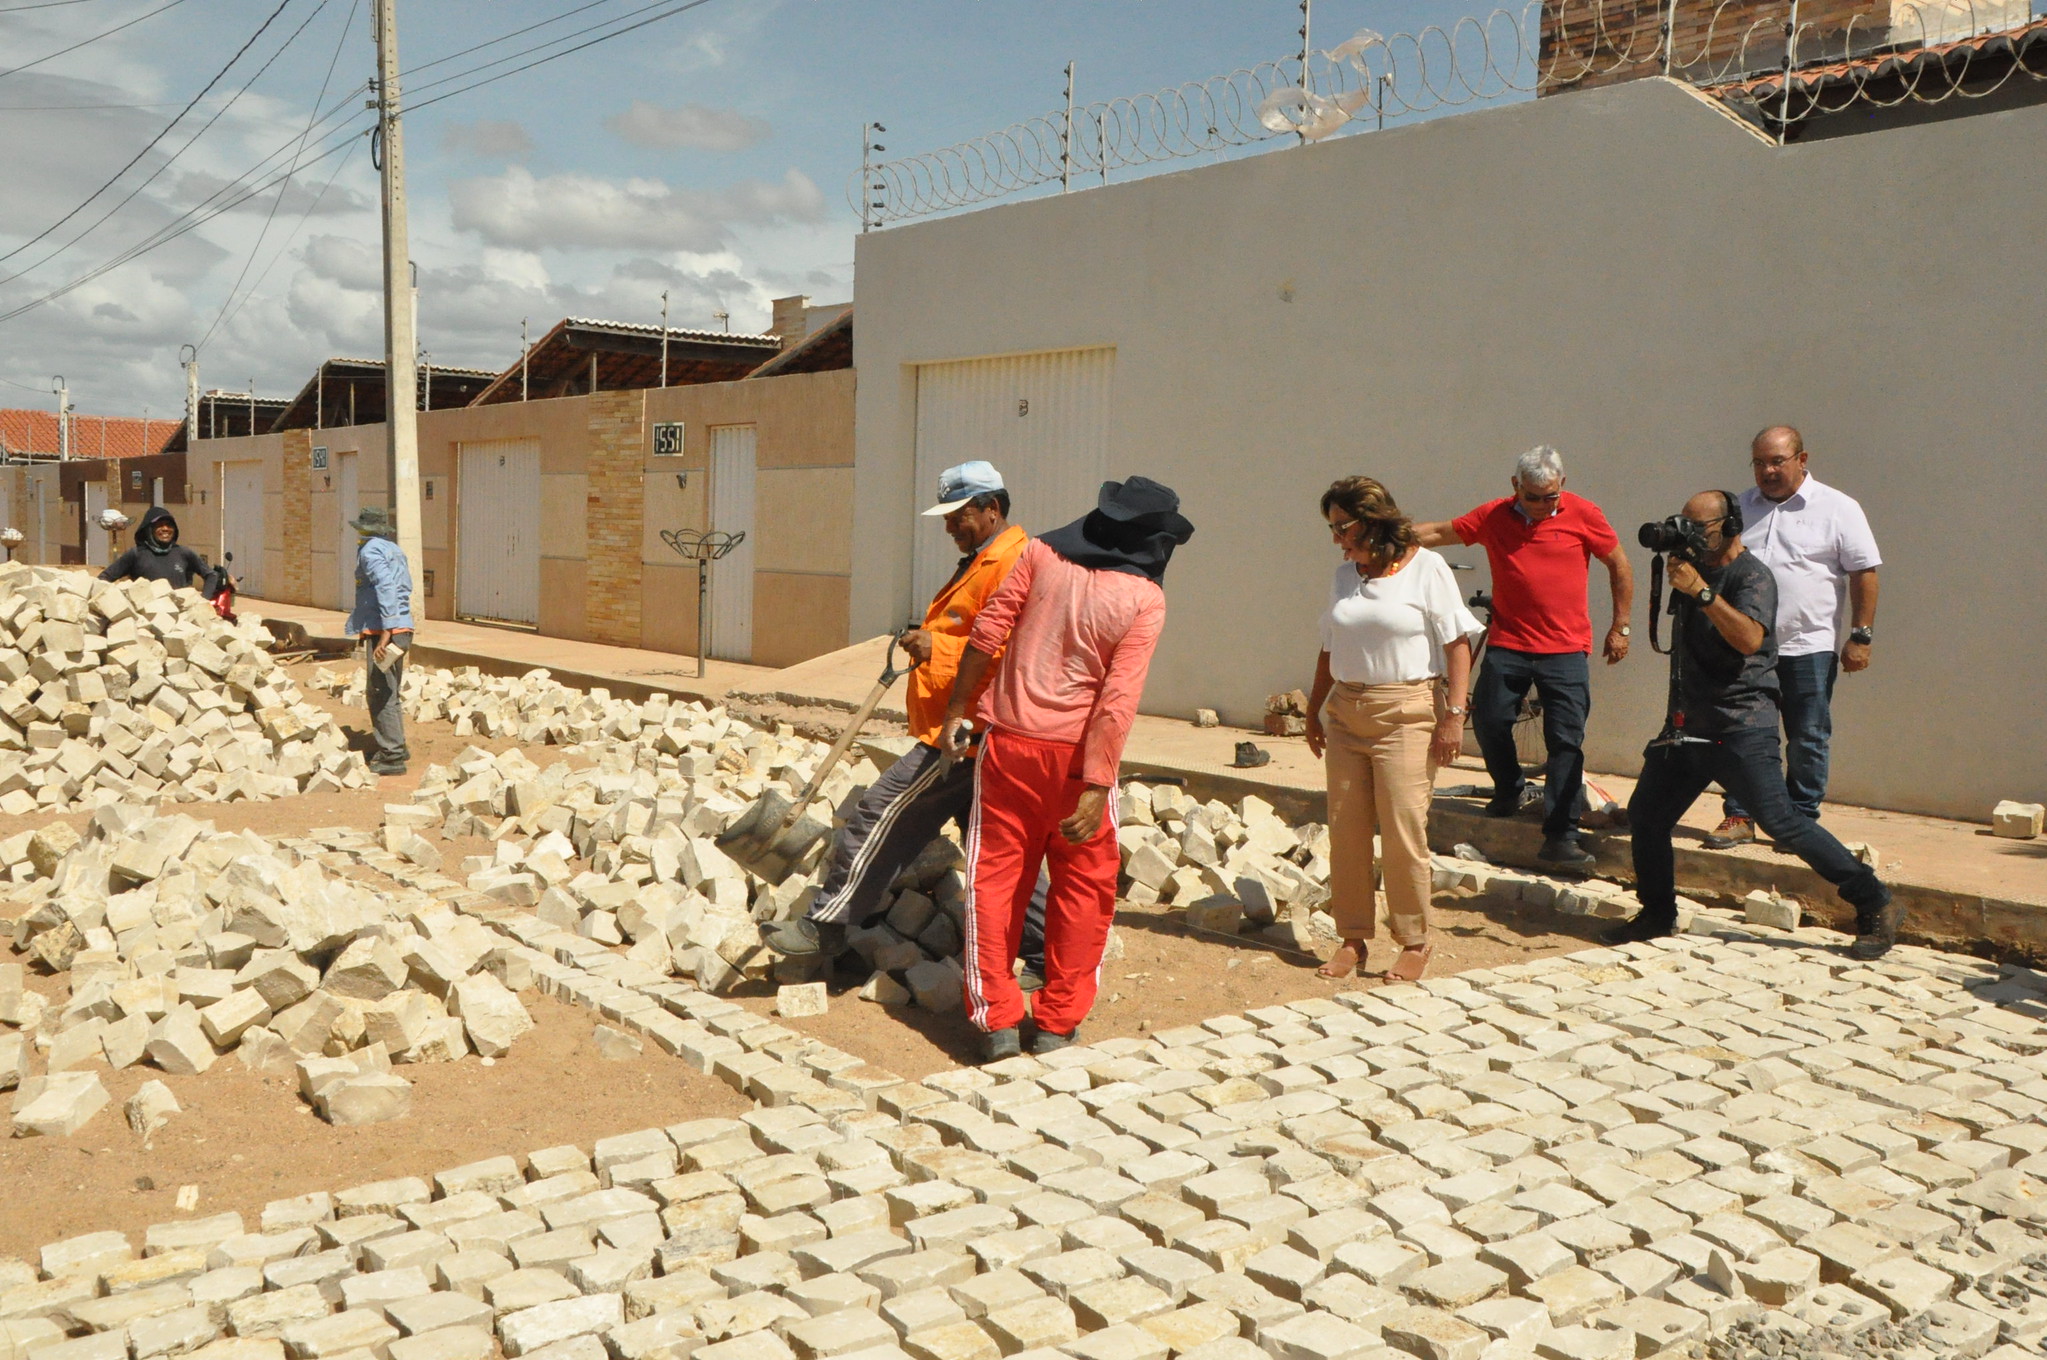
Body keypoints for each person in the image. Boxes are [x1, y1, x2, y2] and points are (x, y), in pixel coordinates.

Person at [763, 461, 1047, 985]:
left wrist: (935, 645)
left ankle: (825, 924)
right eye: (946, 518)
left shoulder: (1013, 564)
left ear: (993, 509)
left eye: (959, 516)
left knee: (879, 814)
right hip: (974, 730)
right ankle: (1046, 955)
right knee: (996, 844)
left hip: (968, 732)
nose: (949, 527)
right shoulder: (981, 559)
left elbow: (1010, 652)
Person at [939, 477, 1192, 1061]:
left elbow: (989, 629)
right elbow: (1117, 700)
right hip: (1079, 762)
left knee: (996, 878)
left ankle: (997, 1020)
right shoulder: (1145, 600)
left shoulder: (1040, 553)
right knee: (1084, 890)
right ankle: (1057, 1023)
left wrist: (960, 710)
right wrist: (1097, 784)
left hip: (1009, 747)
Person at [1607, 491, 1899, 958]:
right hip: (1688, 723)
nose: (1688, 536)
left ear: (1729, 526)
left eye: (1697, 528)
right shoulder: (1692, 571)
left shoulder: (1752, 576)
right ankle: (1658, 912)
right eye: (1682, 525)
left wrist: (1701, 593)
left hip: (1741, 721)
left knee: (1783, 821)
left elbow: (1748, 639)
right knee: (1647, 816)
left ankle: (1873, 900)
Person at [1416, 446, 1632, 869]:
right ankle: (1511, 787)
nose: (1541, 505)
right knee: (1492, 719)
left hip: (1566, 650)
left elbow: (1620, 565)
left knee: (1566, 742)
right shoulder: (1495, 515)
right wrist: (1383, 536)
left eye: (1550, 496)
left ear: (1562, 486)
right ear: (1515, 486)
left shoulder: (1584, 513)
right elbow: (1439, 533)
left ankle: (1562, 837)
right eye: (1532, 496)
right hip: (1509, 643)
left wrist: (1620, 627)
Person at [1306, 477, 1482, 985]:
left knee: (1404, 830)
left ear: (1373, 520)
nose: (1339, 539)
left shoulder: (1427, 568)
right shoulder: (1344, 576)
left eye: (1345, 527)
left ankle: (1414, 940)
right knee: (1346, 829)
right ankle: (1353, 938)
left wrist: (1454, 714)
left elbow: (1456, 643)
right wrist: (1316, 708)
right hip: (1346, 711)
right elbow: (1328, 644)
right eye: (1333, 529)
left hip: (1405, 710)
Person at [1705, 425, 1881, 849]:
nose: (1767, 470)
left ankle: (1799, 820)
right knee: (1742, 733)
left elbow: (1864, 573)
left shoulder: (1838, 508)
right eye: (1760, 462)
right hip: (1747, 648)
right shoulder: (1738, 509)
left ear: (1802, 460)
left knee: (1807, 737)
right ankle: (1740, 815)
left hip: (1808, 647)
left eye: (1777, 461)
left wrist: (1860, 635)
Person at [343, 506, 415, 777]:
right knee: (390, 691)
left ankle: (392, 755)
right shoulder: (393, 549)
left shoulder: (370, 551)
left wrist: (387, 628)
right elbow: (403, 587)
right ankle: (397, 746)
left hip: (385, 633)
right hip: (401, 629)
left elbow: (385, 586)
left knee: (380, 693)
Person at [99, 506, 215, 591]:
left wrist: (205, 600)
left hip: (179, 619)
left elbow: (211, 575)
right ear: (149, 530)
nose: (165, 529)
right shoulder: (136, 554)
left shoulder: (184, 553)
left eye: (169, 525)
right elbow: (104, 578)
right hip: (147, 619)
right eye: (159, 525)